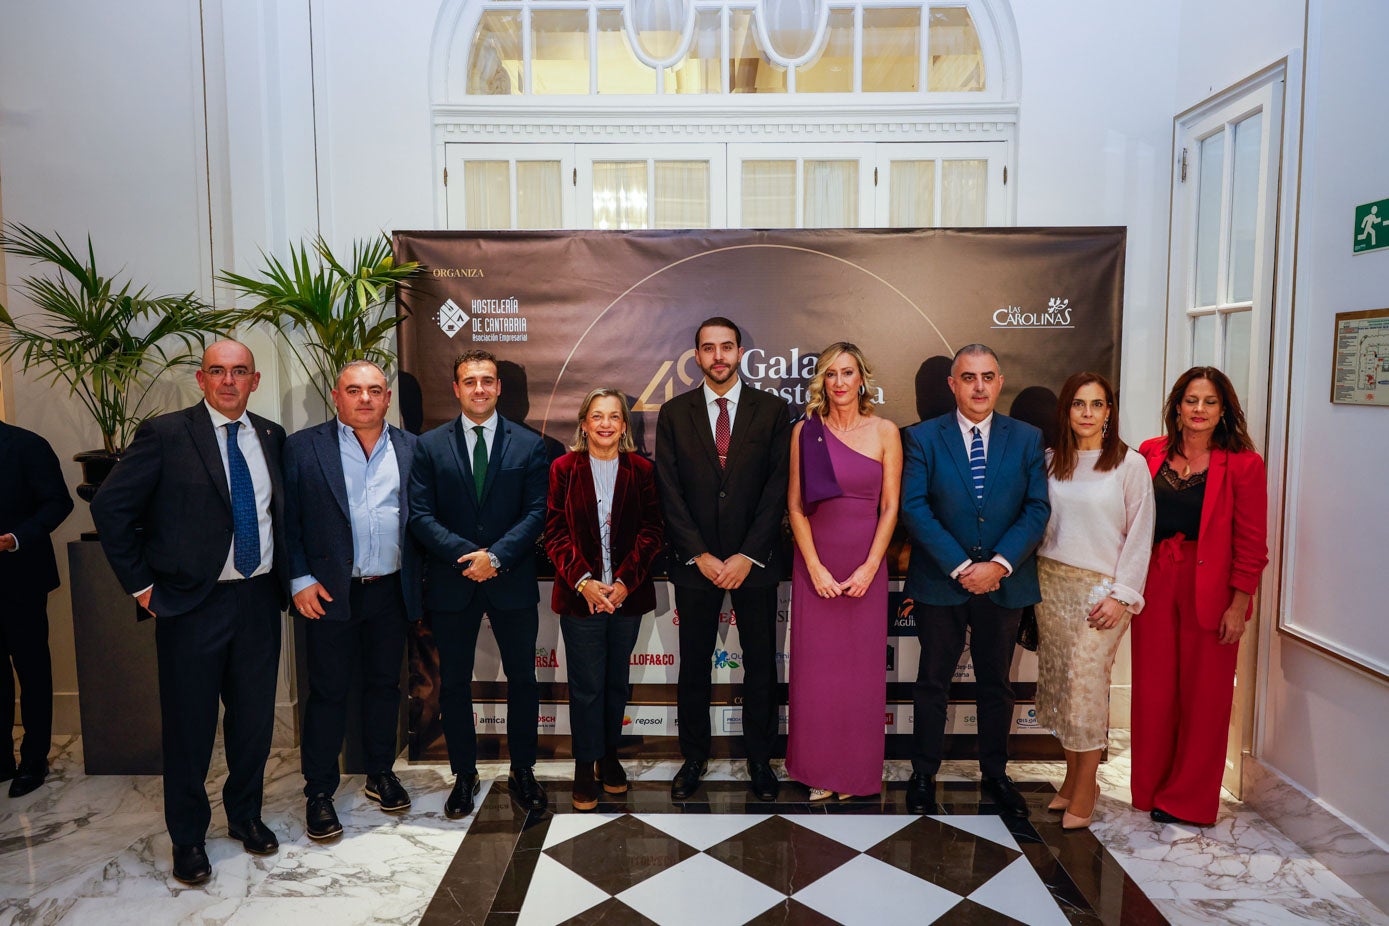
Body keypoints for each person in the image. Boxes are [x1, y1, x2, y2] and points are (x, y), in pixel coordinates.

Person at [91, 340, 286, 886]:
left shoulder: (272, 435)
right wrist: (142, 586)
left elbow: (279, 516)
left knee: (253, 722)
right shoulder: (166, 434)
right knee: (189, 728)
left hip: (258, 599)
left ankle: (245, 816)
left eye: (239, 372)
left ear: (255, 380)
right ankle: (188, 838)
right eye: (217, 371)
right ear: (201, 380)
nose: (228, 381)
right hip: (191, 605)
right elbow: (110, 506)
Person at [899, 343, 1049, 817]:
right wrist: (962, 567)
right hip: (941, 582)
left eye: (987, 377)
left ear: (1000, 382)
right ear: (953, 384)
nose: (979, 387)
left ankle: (996, 774)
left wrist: (998, 565)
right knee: (932, 682)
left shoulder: (1027, 438)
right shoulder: (922, 438)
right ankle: (923, 774)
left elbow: (1037, 508)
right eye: (968, 377)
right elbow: (914, 508)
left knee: (996, 685)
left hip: (1003, 583)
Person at [655, 316, 792, 802]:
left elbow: (777, 488)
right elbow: (668, 490)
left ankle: (760, 759)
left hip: (754, 562)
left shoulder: (772, 410)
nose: (718, 356)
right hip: (696, 565)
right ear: (696, 356)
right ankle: (693, 756)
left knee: (761, 666)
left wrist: (748, 554)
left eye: (727, 347)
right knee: (693, 665)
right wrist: (699, 553)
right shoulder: (674, 413)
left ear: (740, 354)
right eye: (709, 348)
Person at [282, 360, 421, 840]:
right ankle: (319, 792)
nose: (365, 398)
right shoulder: (303, 447)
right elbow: (287, 520)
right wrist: (299, 579)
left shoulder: (410, 447)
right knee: (327, 692)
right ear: (336, 396)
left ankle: (380, 773)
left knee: (384, 686)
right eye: (354, 390)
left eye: (375, 390)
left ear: (387, 398)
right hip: (327, 592)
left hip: (391, 589)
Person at [408, 349, 549, 818]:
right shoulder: (429, 446)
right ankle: (464, 774)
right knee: (453, 684)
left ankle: (523, 770)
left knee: (523, 681)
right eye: (470, 381)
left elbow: (536, 513)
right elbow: (420, 515)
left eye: (487, 380)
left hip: (511, 580)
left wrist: (496, 557)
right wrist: (468, 557)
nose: (479, 389)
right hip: (453, 581)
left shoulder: (529, 445)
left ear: (499, 387)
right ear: (456, 388)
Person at [1133, 366, 1267, 827]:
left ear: (1223, 410)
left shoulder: (1244, 464)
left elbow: (1252, 543)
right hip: (1154, 578)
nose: (1199, 409)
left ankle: (1188, 800)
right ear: (1177, 406)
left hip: (1212, 587)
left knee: (1206, 696)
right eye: (1191, 400)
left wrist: (1238, 605)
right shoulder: (1150, 452)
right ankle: (1149, 787)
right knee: (1153, 690)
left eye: (1210, 402)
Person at [1033, 372, 1154, 830]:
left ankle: (1087, 787)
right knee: (1063, 690)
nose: (1087, 413)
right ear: (1066, 411)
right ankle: (1072, 778)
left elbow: (1140, 535)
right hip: (1051, 586)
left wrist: (1122, 596)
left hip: (1102, 592)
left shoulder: (1129, 464)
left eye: (1097, 404)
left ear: (1109, 412)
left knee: (1086, 690)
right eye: (1078, 404)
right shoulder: (1050, 462)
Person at [785, 343, 901, 800]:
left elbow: (890, 507)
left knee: (859, 673)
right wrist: (814, 567)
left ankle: (853, 772)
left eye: (847, 372)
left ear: (862, 379)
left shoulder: (885, 432)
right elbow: (795, 506)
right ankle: (817, 769)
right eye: (830, 374)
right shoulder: (805, 432)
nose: (839, 382)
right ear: (822, 381)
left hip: (866, 567)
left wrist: (870, 567)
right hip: (816, 565)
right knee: (817, 673)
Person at [544, 388, 663, 810]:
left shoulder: (641, 470)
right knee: (586, 687)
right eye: (597, 416)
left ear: (624, 425)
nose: (606, 424)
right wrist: (585, 583)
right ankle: (584, 763)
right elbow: (555, 532)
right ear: (584, 423)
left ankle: (609, 757)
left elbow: (652, 531)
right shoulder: (563, 468)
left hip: (626, 598)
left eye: (614, 416)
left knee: (615, 683)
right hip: (581, 599)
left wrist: (625, 582)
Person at [0, 420, 74, 798]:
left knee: (31, 670)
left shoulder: (27, 444)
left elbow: (59, 502)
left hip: (21, 578)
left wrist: (14, 538)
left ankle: (34, 759)